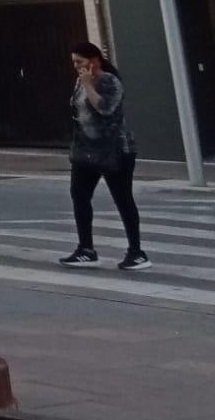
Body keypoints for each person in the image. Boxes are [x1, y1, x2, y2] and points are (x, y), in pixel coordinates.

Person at [58, 42, 151, 271]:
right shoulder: (81, 81)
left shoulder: (109, 81)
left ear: (95, 60)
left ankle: (137, 252)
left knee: (122, 198)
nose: (76, 66)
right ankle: (86, 250)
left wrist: (89, 85)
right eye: (74, 62)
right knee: (79, 195)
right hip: (86, 149)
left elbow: (105, 108)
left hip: (115, 148)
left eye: (80, 61)